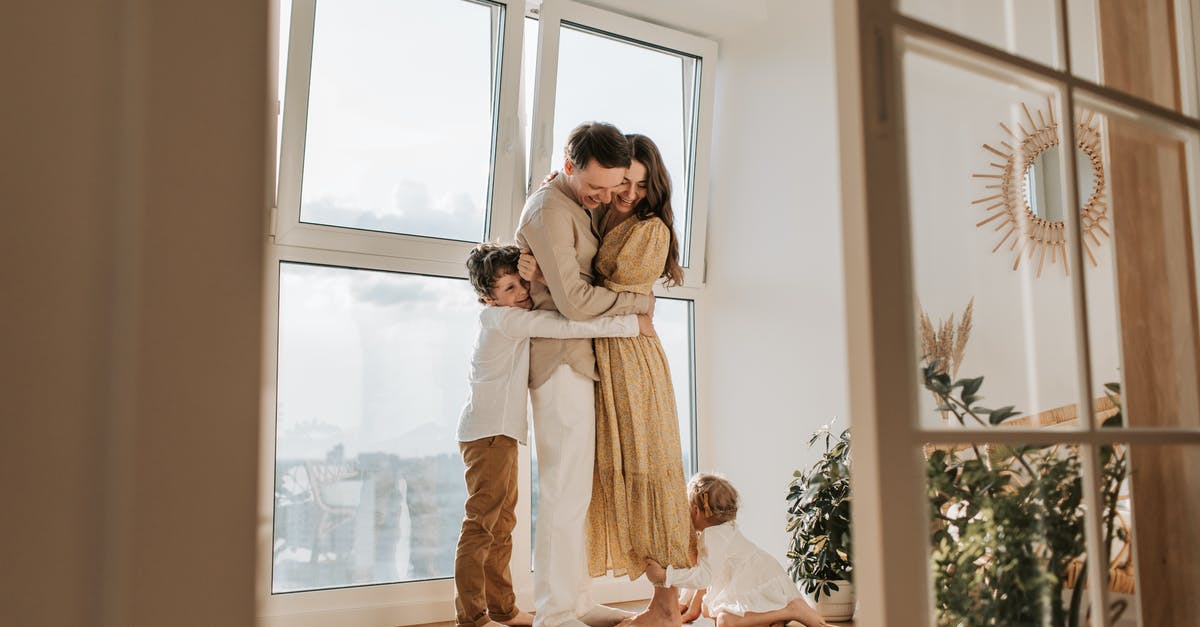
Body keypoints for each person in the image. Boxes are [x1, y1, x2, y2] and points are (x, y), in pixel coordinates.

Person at [454, 243, 654, 627]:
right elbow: (563, 326)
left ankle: (503, 608)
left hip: (499, 433)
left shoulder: (507, 316)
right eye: (508, 289)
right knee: (482, 523)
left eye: (519, 284)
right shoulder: (502, 320)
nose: (521, 294)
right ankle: (472, 617)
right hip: (487, 434)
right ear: (488, 299)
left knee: (503, 523)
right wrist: (631, 323)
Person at [514, 122, 655, 627]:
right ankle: (554, 613)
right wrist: (633, 303)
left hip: (581, 360)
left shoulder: (573, 200)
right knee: (561, 490)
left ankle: (573, 598)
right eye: (596, 187)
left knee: (578, 489)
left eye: (611, 188)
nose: (604, 198)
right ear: (570, 167)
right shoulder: (551, 210)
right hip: (558, 362)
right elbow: (573, 301)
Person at [584, 133, 694, 627]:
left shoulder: (651, 230)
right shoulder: (603, 213)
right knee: (618, 469)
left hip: (631, 358)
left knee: (646, 469)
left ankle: (666, 602)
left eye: (641, 183)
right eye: (624, 179)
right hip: (607, 351)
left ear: (654, 187)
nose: (630, 191)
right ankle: (660, 601)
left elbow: (603, 288)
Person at [644, 474, 833, 627]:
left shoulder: (714, 536)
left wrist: (665, 576)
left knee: (725, 621)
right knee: (710, 609)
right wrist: (687, 605)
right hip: (759, 577)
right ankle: (774, 618)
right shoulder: (721, 531)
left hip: (758, 582)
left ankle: (790, 611)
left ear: (696, 511)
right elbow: (704, 577)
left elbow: (703, 577)